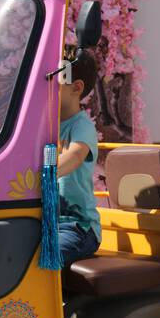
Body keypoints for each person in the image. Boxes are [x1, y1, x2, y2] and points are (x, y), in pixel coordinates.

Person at [56, 49, 102, 265]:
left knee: (47, 256)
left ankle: (54, 300)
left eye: (53, 80)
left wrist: (38, 173)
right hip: (46, 223)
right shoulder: (43, 126)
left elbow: (74, 156)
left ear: (76, 87)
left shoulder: (81, 126)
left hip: (77, 227)